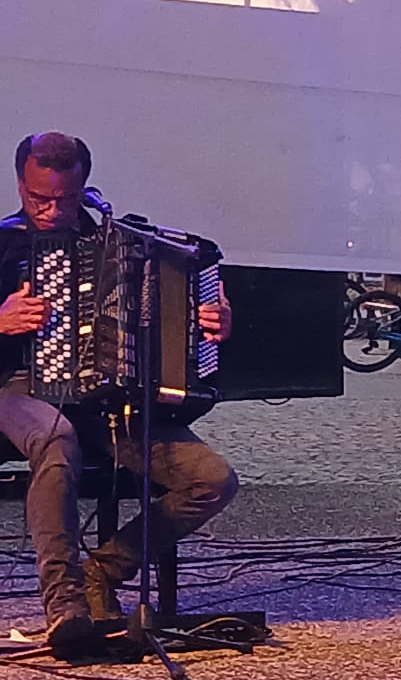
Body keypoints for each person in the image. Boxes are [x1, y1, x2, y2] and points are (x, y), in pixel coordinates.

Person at [4, 131, 238, 652]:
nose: (50, 209)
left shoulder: (124, 243)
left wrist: (213, 320)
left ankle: (103, 571)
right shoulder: (3, 244)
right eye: (38, 198)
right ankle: (63, 603)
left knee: (213, 480)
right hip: (17, 389)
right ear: (20, 185)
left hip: (112, 400)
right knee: (56, 439)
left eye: (64, 198)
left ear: (83, 186)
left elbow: (188, 298)